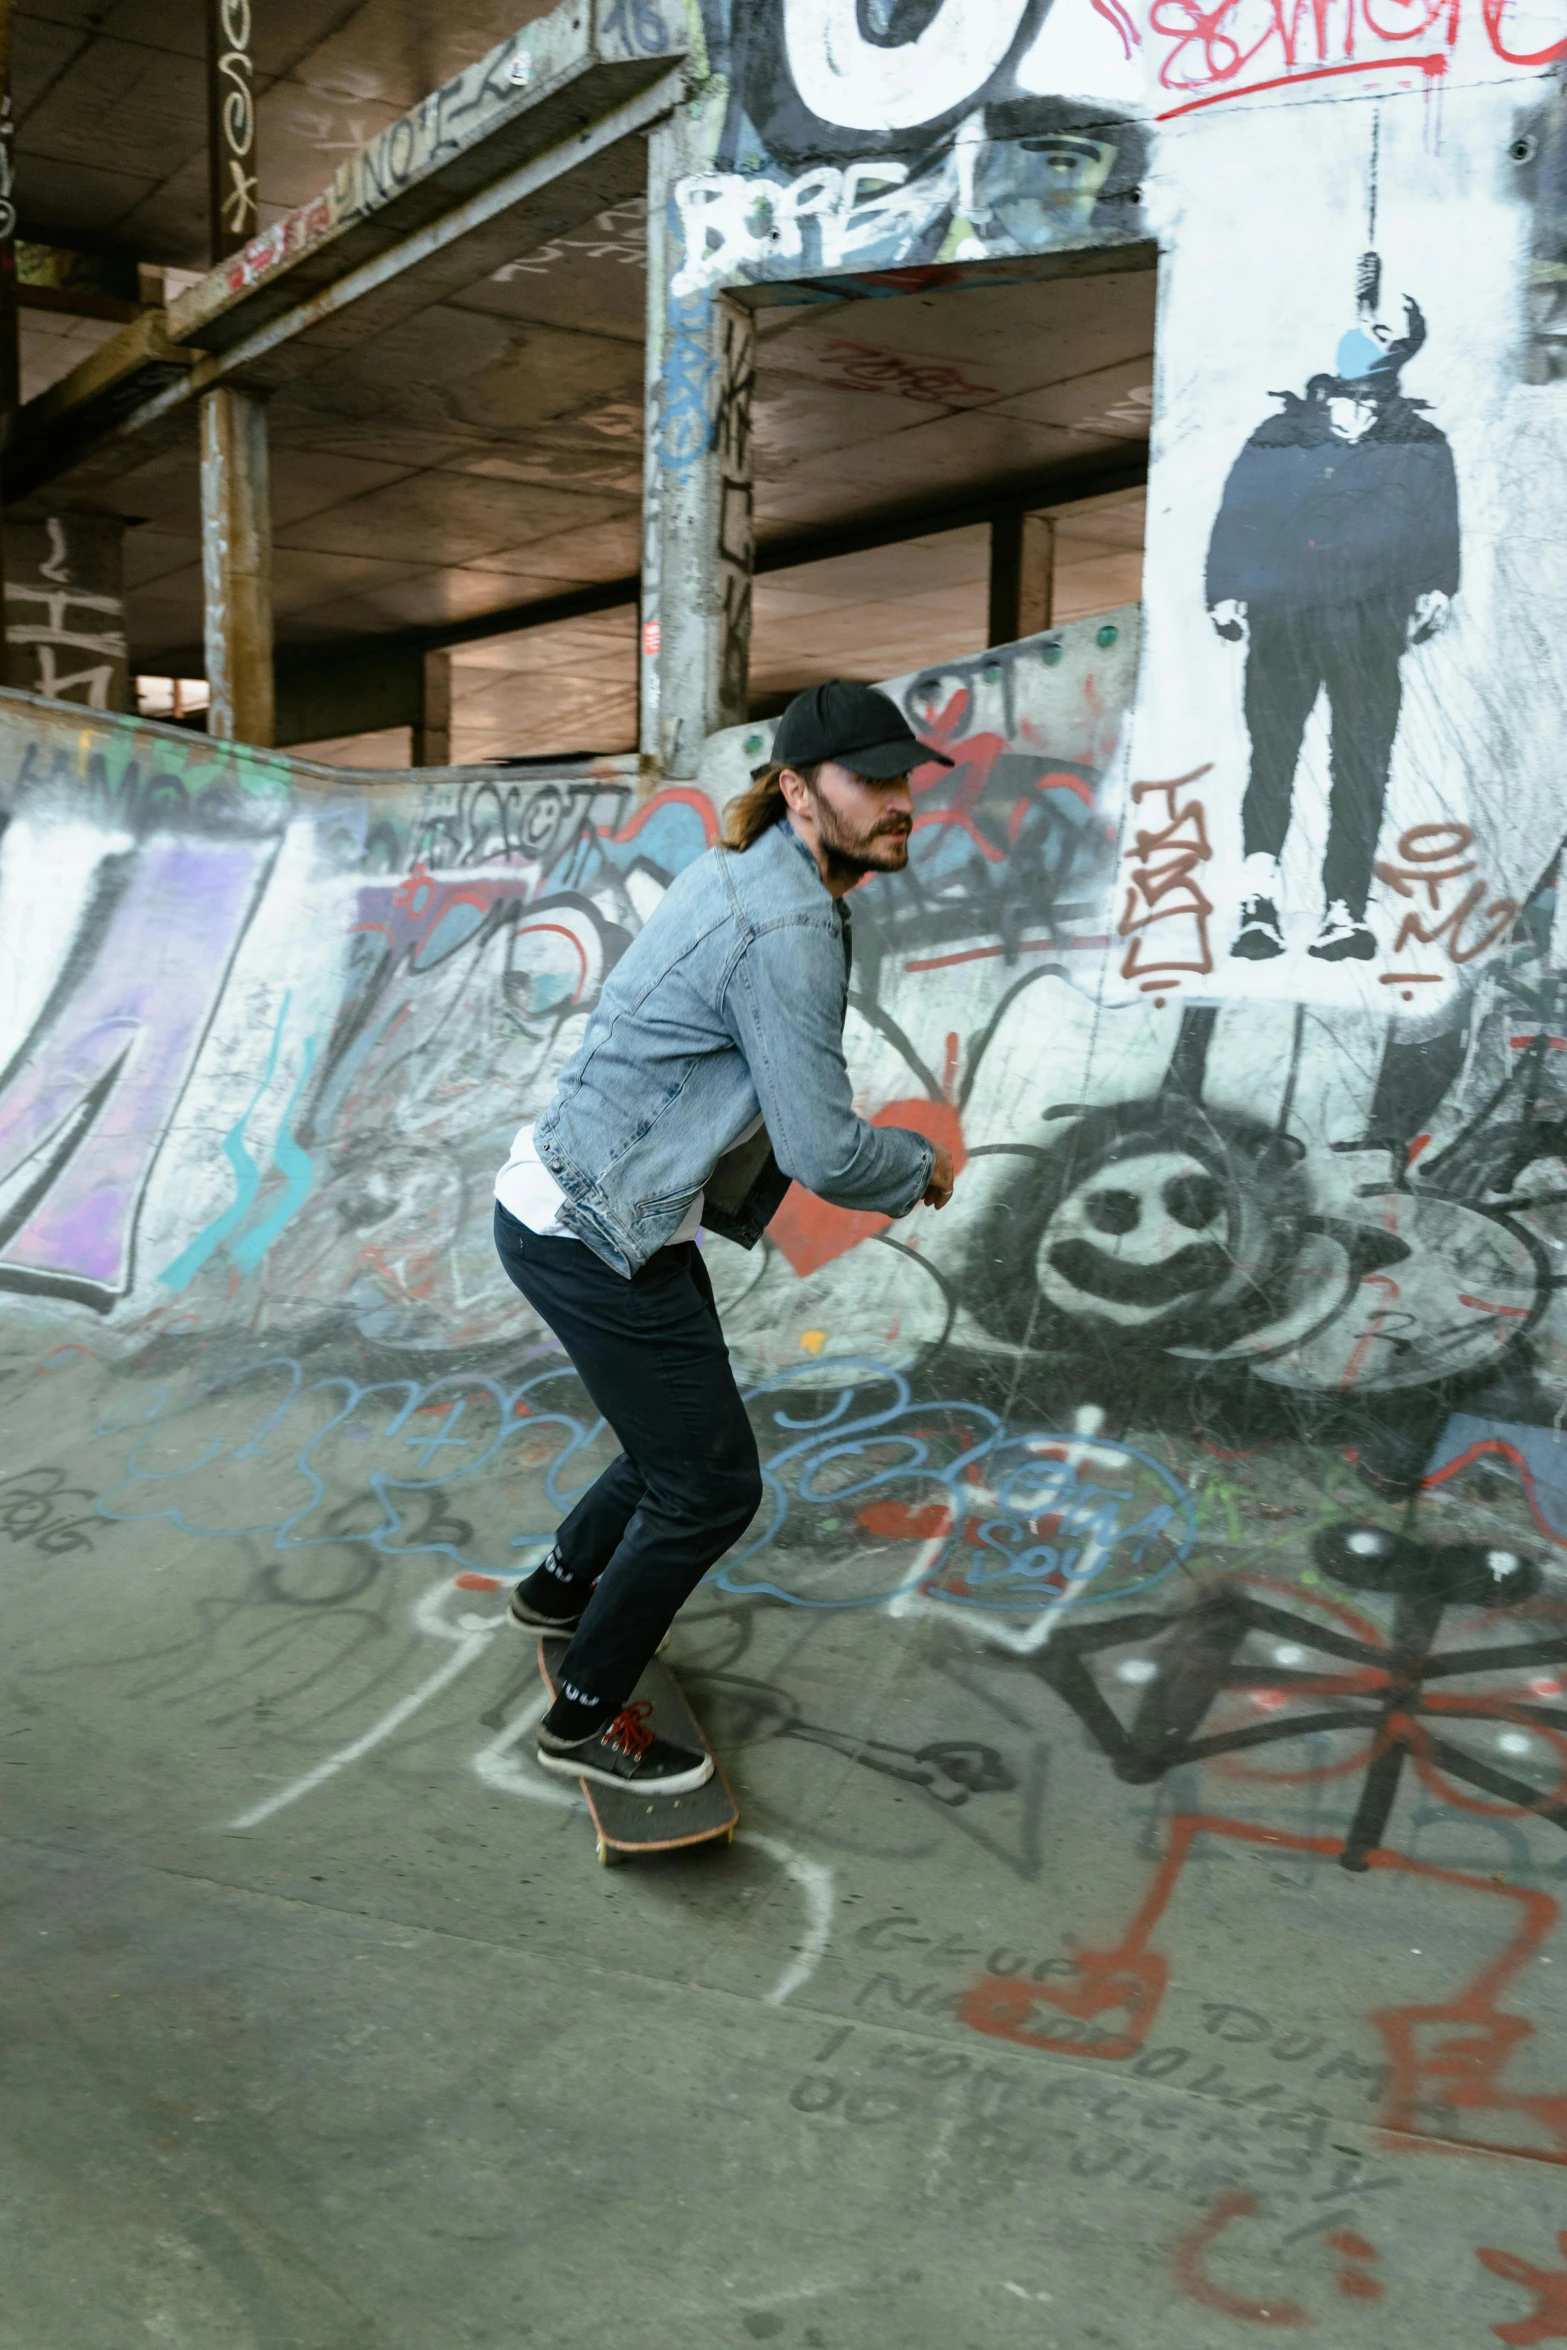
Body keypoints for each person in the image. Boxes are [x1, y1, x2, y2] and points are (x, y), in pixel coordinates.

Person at [492, 680, 958, 1795]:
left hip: (579, 1204)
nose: (898, 801)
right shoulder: (788, 919)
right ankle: (586, 1717)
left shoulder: (746, 869)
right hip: (599, 1231)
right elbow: (824, 1151)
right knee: (709, 1488)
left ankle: (559, 1591)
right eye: (870, 781)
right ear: (797, 789)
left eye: (902, 779)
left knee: (677, 1448)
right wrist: (921, 1167)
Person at [1207, 296, 1460, 965]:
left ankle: (1341, 910)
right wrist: (1225, 590)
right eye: (1351, 395)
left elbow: (1438, 524)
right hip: (1284, 620)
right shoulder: (1281, 432)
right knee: (1272, 762)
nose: (1360, 409)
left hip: (1368, 625)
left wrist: (1438, 583)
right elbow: (1239, 513)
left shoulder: (1420, 445)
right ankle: (1255, 905)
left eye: (1373, 396)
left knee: (1360, 769)